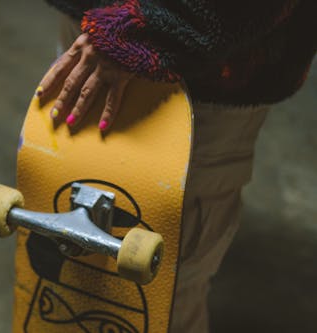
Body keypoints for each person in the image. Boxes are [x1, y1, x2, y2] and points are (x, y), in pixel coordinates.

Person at [36, 0, 316, 332]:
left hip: (196, 64)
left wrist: (145, 34)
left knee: (156, 293)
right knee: (81, 277)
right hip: (95, 31)